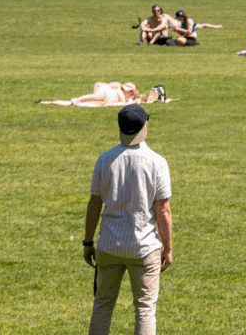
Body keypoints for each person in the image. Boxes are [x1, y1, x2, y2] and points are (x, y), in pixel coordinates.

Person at [84, 102, 172, 335]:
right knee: (145, 309)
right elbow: (163, 210)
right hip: (144, 247)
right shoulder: (157, 162)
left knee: (102, 305)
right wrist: (168, 247)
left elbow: (94, 204)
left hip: (109, 244)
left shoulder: (104, 159)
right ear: (145, 125)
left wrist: (87, 242)